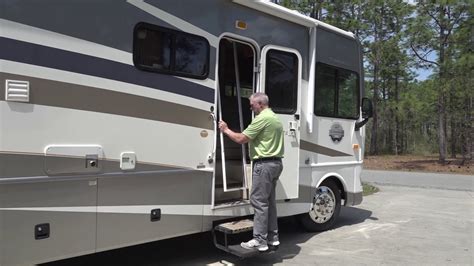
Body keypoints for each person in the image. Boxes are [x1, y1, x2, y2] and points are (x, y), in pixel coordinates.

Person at [218, 92, 284, 252]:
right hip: (276, 163)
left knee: (259, 202)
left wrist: (225, 129)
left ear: (260, 104)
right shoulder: (275, 117)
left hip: (264, 165)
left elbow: (241, 138)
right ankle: (273, 238)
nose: (250, 107)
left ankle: (259, 240)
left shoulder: (262, 119)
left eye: (252, 104)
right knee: (269, 203)